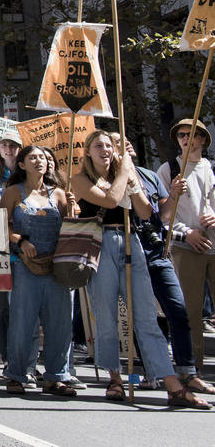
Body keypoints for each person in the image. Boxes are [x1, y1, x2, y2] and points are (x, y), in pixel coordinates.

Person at [73, 130, 208, 408]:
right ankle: (115, 379)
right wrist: (124, 172)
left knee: (146, 316)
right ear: (87, 151)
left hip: (132, 240)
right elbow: (110, 200)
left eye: (109, 146)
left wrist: (132, 182)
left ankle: (172, 384)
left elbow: (147, 214)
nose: (105, 150)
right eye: (98, 145)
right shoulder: (80, 178)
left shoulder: (128, 174)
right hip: (100, 242)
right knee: (107, 316)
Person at [123, 136, 213, 395]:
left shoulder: (151, 177)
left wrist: (173, 195)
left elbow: (163, 217)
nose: (126, 147)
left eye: (128, 143)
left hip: (157, 253)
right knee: (144, 317)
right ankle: (149, 371)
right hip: (128, 253)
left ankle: (187, 372)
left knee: (178, 311)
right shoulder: (108, 179)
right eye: (117, 144)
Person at [0, 145, 74, 396]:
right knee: (22, 322)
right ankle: (17, 375)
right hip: (24, 266)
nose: (39, 161)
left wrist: (73, 210)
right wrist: (20, 240)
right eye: (32, 157)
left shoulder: (60, 194)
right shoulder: (12, 193)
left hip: (56, 266)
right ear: (21, 164)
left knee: (59, 323)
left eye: (42, 157)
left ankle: (56, 376)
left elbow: (71, 229)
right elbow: (0, 226)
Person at [158, 118, 215, 377]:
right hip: (186, 247)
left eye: (190, 134)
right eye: (180, 134)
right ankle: (194, 368)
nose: (184, 138)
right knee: (190, 309)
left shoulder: (212, 168)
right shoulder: (169, 170)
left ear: (202, 139)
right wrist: (186, 233)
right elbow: (162, 215)